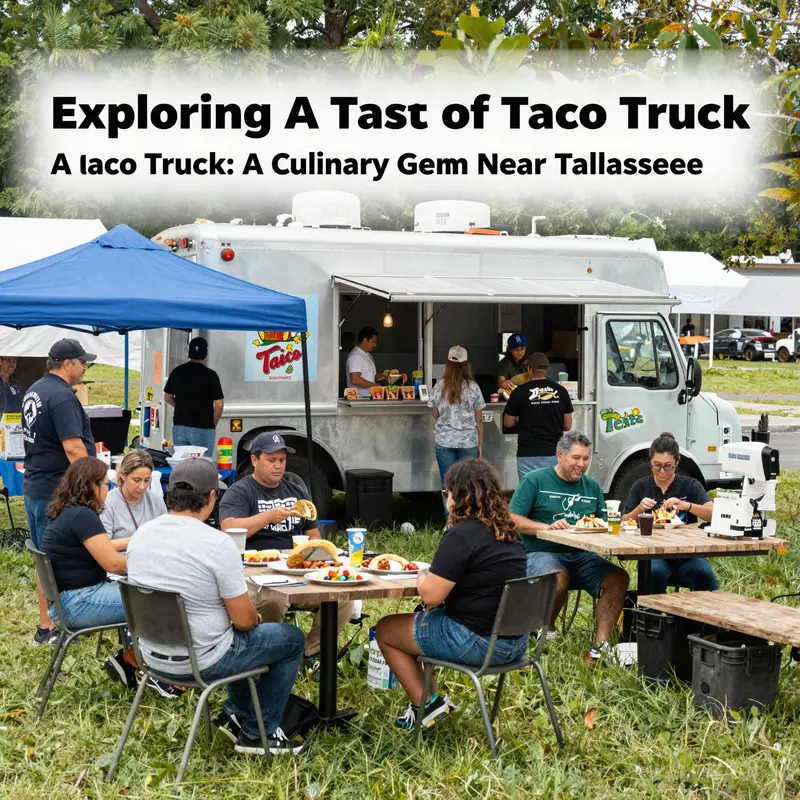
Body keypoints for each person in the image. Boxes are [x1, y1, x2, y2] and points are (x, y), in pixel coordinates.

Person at [127, 457, 306, 755]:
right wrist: (254, 618)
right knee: (290, 639)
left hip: (150, 657)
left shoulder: (140, 535)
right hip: (202, 660)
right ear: (212, 497)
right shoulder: (218, 544)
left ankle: (234, 714)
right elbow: (244, 622)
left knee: (236, 637)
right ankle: (257, 734)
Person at [376, 459, 528, 731]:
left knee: (387, 629)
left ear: (458, 495)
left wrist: (422, 576)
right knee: (424, 620)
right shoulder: (510, 532)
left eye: (447, 492)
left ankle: (425, 706)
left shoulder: (462, 534)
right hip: (516, 642)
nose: (446, 498)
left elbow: (431, 596)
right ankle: (431, 701)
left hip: (478, 642)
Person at [219, 432, 353, 665]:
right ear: (254, 460)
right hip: (256, 575)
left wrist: (321, 557)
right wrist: (268, 517)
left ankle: (310, 655)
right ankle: (271, 657)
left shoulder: (297, 492)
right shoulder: (241, 491)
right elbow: (229, 529)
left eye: (282, 460)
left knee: (342, 599)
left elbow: (314, 538)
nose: (278, 466)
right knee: (274, 600)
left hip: (296, 570)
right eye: (271, 460)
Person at [509, 431, 628, 660]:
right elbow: (512, 519)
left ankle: (601, 647)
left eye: (586, 458)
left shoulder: (591, 486)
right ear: (559, 455)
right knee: (557, 577)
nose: (581, 464)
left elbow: (603, 522)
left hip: (582, 555)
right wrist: (546, 527)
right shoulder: (535, 480)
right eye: (576, 458)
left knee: (618, 578)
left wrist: (620, 524)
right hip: (541, 552)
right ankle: (547, 631)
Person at [22, 338, 97, 646]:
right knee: (56, 560)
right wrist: (92, 483)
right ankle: (51, 627)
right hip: (55, 489)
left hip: (35, 485)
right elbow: (74, 448)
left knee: (44, 558)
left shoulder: (35, 389)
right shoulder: (62, 397)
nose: (85, 368)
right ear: (68, 364)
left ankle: (49, 625)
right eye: (83, 362)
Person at [621, 432, 717, 594]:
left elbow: (713, 513)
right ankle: (652, 610)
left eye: (668, 466)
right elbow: (623, 521)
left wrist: (687, 505)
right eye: (656, 465)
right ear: (650, 461)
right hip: (653, 554)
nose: (662, 471)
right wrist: (639, 509)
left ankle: (704, 611)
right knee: (653, 573)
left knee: (704, 574)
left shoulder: (690, 485)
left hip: (688, 554)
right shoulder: (641, 486)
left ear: (677, 462)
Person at [428, 346, 485, 507]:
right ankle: (467, 517)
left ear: (448, 363)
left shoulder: (439, 386)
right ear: (466, 365)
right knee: (468, 484)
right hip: (468, 442)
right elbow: (479, 420)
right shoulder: (473, 387)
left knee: (448, 485)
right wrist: (479, 444)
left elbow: (435, 414)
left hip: (444, 441)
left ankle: (451, 518)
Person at [503, 353, 573, 480]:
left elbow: (508, 422)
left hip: (527, 454)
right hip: (555, 452)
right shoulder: (561, 391)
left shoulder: (519, 392)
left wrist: (521, 419)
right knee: (552, 489)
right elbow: (567, 425)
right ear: (547, 370)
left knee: (529, 490)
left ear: (529, 370)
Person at [163, 337, 224, 454]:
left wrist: (180, 406)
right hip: (204, 427)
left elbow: (167, 396)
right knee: (202, 463)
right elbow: (219, 405)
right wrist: (213, 423)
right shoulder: (211, 375)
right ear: (206, 354)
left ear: (189, 352)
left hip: (180, 426)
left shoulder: (177, 371)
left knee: (182, 463)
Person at [100, 450, 167, 551]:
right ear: (123, 475)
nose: (142, 486)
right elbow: (103, 545)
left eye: (147, 480)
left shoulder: (156, 501)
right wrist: (141, 540)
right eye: (136, 480)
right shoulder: (108, 502)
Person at [345, 326, 389, 399]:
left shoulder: (367, 355)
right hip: (360, 399)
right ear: (365, 340)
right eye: (373, 342)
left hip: (369, 397)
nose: (375, 345)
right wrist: (375, 385)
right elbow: (355, 380)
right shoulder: (356, 356)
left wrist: (380, 377)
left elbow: (368, 375)